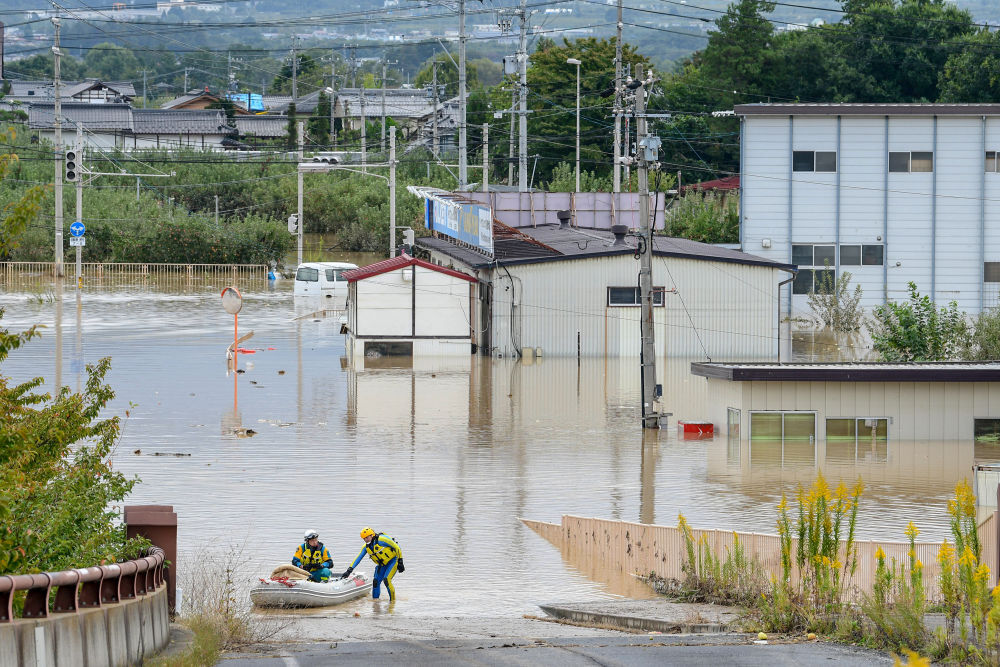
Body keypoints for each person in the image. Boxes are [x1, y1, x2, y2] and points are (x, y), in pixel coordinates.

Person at [341, 527, 403, 600]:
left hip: (393, 561)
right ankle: (375, 603)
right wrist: (349, 570)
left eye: (367, 537)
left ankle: (392, 603)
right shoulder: (366, 547)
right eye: (364, 538)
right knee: (376, 582)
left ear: (372, 535)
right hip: (382, 564)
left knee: (386, 580)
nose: (365, 540)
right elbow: (358, 558)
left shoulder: (382, 540)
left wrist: (400, 561)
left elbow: (397, 547)